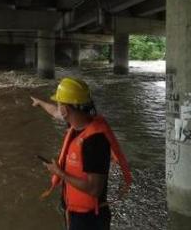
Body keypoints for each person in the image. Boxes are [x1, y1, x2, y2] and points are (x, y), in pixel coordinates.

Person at [31, 77, 132, 230]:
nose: (58, 108)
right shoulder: (78, 123)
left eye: (60, 104)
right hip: (76, 213)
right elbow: (55, 112)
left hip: (89, 219)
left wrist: (59, 172)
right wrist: (40, 103)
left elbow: (94, 188)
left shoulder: (94, 141)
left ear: (66, 110)